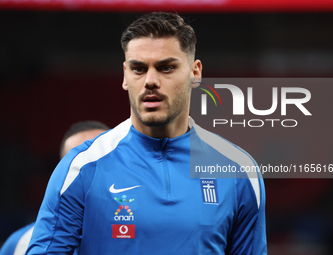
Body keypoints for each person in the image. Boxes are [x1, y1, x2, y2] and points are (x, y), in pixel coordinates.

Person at [26, 12, 267, 254]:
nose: (150, 81)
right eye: (139, 69)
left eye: (166, 67)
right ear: (125, 75)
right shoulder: (82, 168)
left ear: (195, 72)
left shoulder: (238, 171)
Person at [0, 121, 109, 255]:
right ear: (61, 174)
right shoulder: (20, 243)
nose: (90, 176)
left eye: (102, 163)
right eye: (78, 166)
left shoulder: (137, 232)